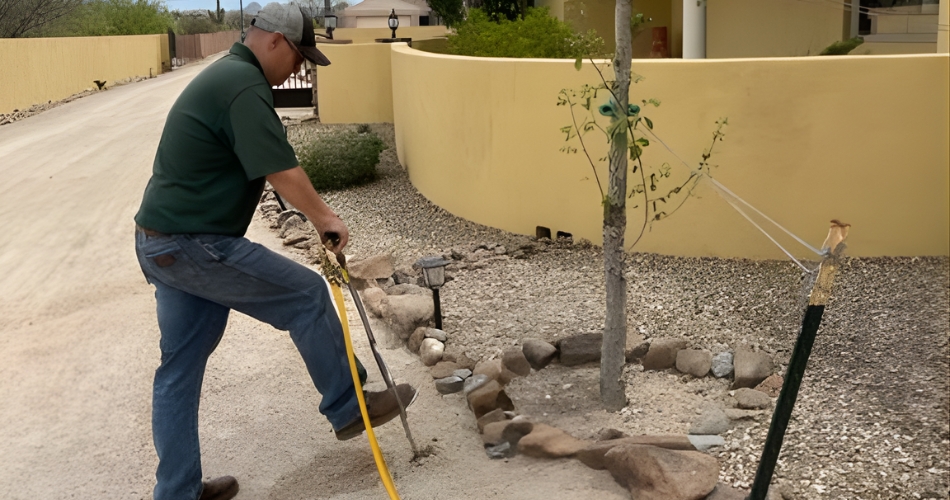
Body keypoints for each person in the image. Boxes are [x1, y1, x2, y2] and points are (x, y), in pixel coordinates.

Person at [133, 4, 416, 500]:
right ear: (275, 42)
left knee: (178, 371)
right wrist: (325, 218)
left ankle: (176, 492)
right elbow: (277, 168)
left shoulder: (230, 77)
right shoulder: (242, 85)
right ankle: (349, 406)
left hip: (164, 244)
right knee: (306, 295)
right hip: (193, 243)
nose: (301, 68)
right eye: (301, 56)